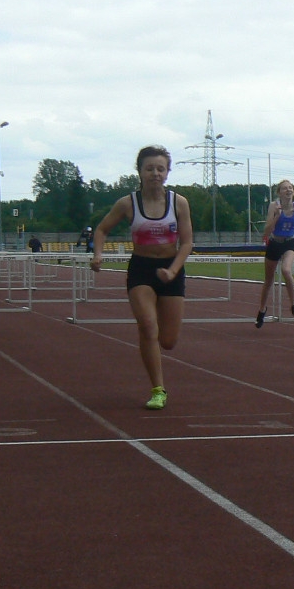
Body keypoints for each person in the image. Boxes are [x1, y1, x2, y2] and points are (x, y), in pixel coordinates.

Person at [91, 145, 194, 409]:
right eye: (149, 169)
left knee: (168, 341)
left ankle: (157, 335)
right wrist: (98, 255)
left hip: (171, 269)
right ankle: (158, 389)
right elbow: (102, 229)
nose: (155, 174)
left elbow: (187, 242)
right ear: (139, 171)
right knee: (148, 326)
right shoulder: (128, 204)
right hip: (142, 270)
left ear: (167, 172)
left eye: (160, 169)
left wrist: (173, 270)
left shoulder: (178, 203)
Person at [257, 179, 294, 327]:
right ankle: (262, 310)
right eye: (285, 188)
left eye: (290, 188)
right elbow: (266, 231)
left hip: (289, 243)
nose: (288, 190)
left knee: (286, 269)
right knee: (269, 280)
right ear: (279, 193)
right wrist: (277, 216)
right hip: (274, 243)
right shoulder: (274, 206)